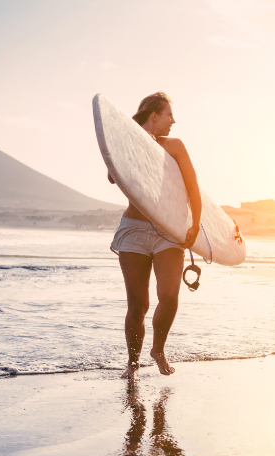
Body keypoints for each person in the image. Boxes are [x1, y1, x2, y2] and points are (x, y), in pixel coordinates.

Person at [108, 92, 202, 378]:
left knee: (169, 296)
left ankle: (158, 349)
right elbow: (113, 176)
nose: (174, 121)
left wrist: (195, 225)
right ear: (154, 116)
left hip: (167, 231)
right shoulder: (129, 142)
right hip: (134, 230)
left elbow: (193, 187)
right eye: (169, 115)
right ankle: (132, 363)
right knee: (138, 304)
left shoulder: (175, 146)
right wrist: (135, 145)